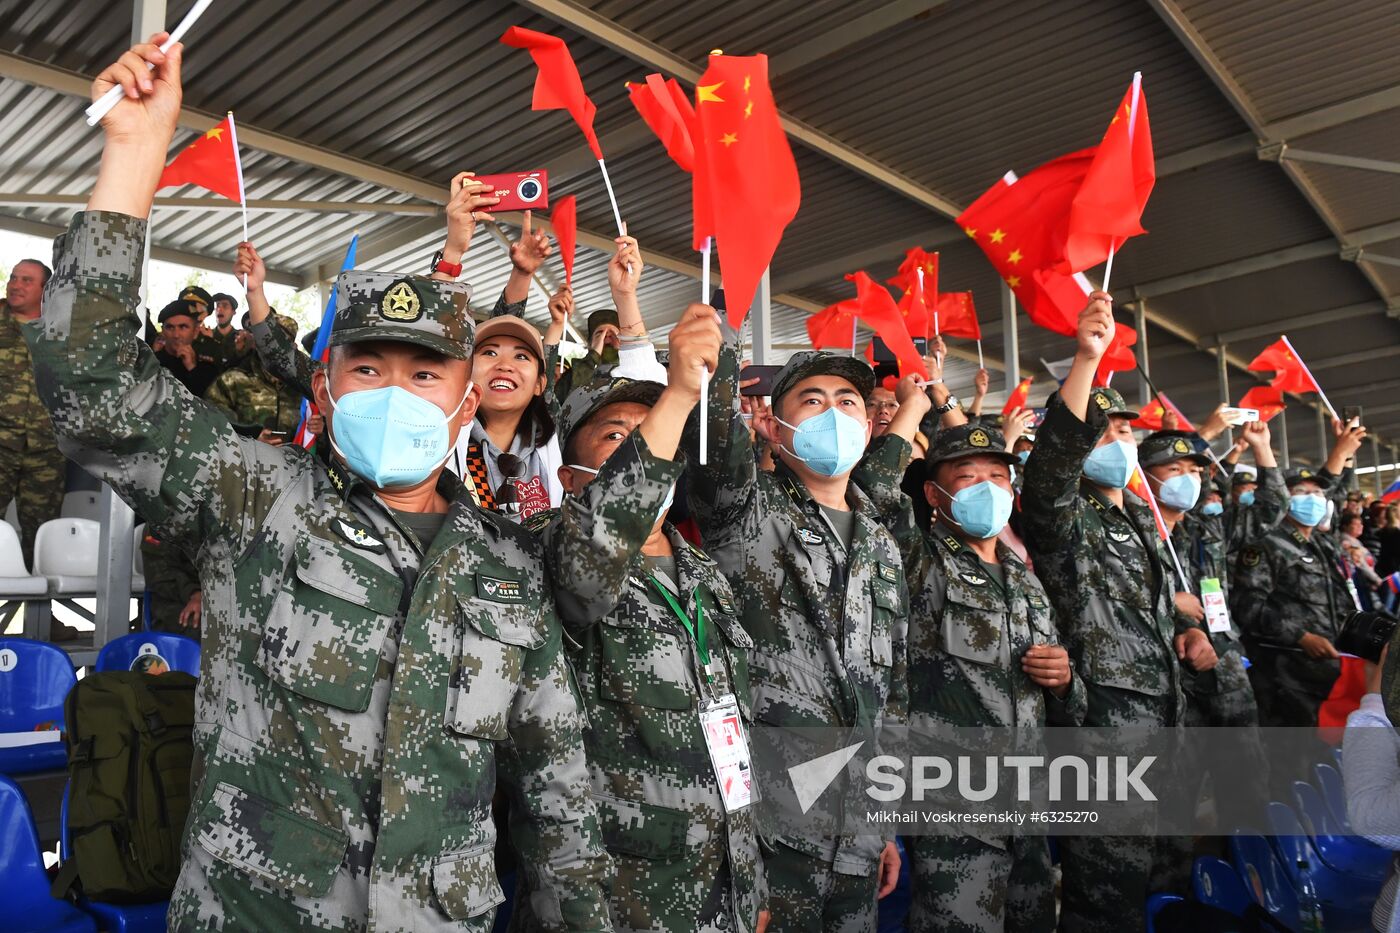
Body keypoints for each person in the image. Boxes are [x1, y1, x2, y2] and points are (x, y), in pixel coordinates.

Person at [29, 36, 610, 930]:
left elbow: (558, 790)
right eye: (367, 368)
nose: (394, 392)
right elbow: (92, 382)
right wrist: (135, 156)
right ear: (327, 386)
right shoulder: (256, 498)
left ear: (464, 404)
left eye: (424, 376)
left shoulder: (507, 566)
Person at [534, 305, 769, 933]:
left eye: (656, 433)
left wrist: (749, 884)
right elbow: (591, 567)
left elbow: (735, 732)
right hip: (618, 900)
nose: (649, 451)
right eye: (620, 437)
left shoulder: (705, 574)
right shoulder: (549, 552)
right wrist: (676, 398)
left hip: (723, 889)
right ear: (570, 475)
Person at [688, 329, 906, 932]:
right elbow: (710, 445)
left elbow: (895, 694)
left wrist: (885, 825)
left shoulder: (883, 545)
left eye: (848, 401)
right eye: (811, 400)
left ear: (868, 426)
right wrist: (720, 352)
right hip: (769, 833)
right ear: (774, 430)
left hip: (859, 831)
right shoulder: (746, 513)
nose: (833, 413)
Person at [1018, 294, 1217, 933]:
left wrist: (1187, 632)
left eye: (1123, 430)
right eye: (1102, 430)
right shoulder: (1062, 512)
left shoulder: (1138, 517)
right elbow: (1050, 464)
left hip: (1167, 722)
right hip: (1105, 737)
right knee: (1105, 901)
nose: (1115, 438)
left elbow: (1148, 607)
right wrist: (1087, 359)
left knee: (1169, 881)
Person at [855, 392, 1083, 932]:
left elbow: (1065, 702)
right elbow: (872, 491)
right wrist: (913, 403)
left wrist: (1065, 681)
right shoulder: (917, 559)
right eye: (966, 477)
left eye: (998, 477)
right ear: (933, 494)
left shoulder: (1025, 576)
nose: (987, 488)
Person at [1139, 428, 1268, 829]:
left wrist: (1262, 448)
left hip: (1226, 672)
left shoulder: (1205, 530)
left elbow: (1267, 513)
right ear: (1144, 476)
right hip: (1173, 681)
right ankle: (1177, 887)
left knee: (1247, 784)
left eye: (1193, 470)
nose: (1186, 478)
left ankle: (1251, 875)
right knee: (1176, 797)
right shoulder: (1132, 535)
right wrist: (1169, 605)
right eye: (1173, 468)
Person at [1231, 466, 1356, 737]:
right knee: (1297, 759)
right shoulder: (1264, 545)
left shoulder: (1324, 544)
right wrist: (1300, 636)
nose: (1312, 498)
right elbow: (1247, 605)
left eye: (1317, 492)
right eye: (1301, 492)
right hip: (1288, 675)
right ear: (1283, 499)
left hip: (1332, 671)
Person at [0, 258, 66, 568]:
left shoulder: (62, 331)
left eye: (27, 280)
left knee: (41, 540)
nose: (15, 284)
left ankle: (39, 617)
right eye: (14, 277)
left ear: (45, 289)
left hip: (46, 452)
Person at [204, 310, 306, 442]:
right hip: (244, 459)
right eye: (266, 339)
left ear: (293, 347)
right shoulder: (232, 381)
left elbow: (322, 443)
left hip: (294, 460)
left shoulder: (302, 387)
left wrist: (318, 432)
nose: (272, 346)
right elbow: (211, 423)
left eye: (280, 341)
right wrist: (252, 439)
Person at [153, 298, 222, 396]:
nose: (176, 335)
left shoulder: (206, 367)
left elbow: (210, 401)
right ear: (163, 331)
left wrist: (192, 368)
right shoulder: (152, 363)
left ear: (195, 332)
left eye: (183, 327)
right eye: (170, 327)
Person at [209, 291, 250, 368]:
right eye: (217, 305)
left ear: (233, 312)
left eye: (225, 306)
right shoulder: (207, 336)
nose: (219, 309)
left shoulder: (241, 338)